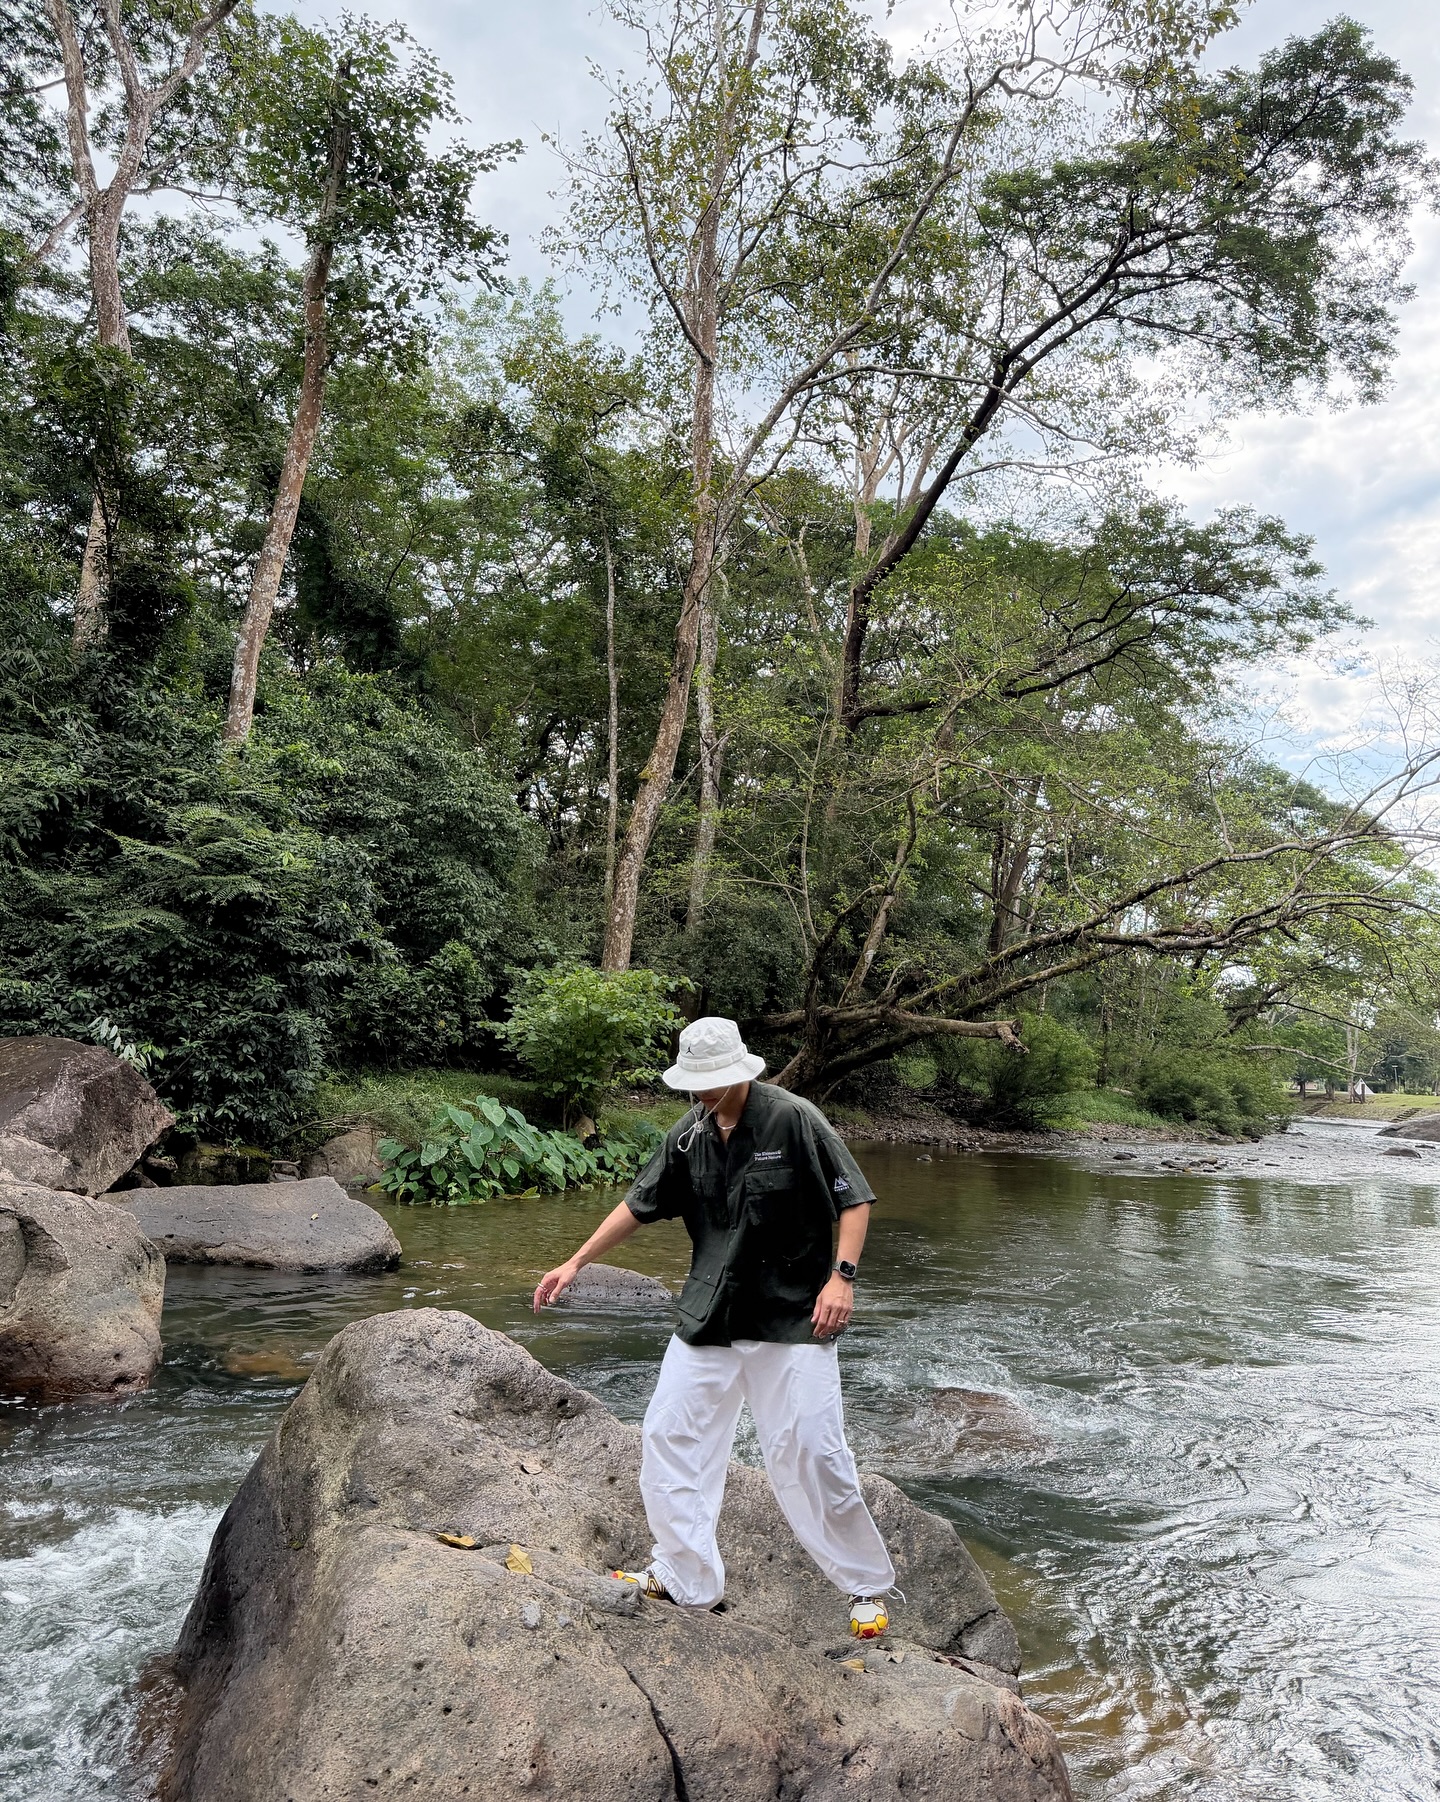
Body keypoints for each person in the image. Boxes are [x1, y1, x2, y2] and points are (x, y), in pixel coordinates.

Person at [533, 1015, 897, 1639]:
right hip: (711, 1314)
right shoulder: (687, 1136)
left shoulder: (793, 1118)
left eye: (712, 1082)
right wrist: (575, 1262)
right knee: (670, 1433)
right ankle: (686, 1577)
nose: (702, 1094)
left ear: (740, 1072)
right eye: (694, 1084)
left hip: (792, 1315)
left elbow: (853, 1197)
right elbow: (638, 1205)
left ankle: (865, 1588)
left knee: (811, 1449)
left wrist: (843, 1276)